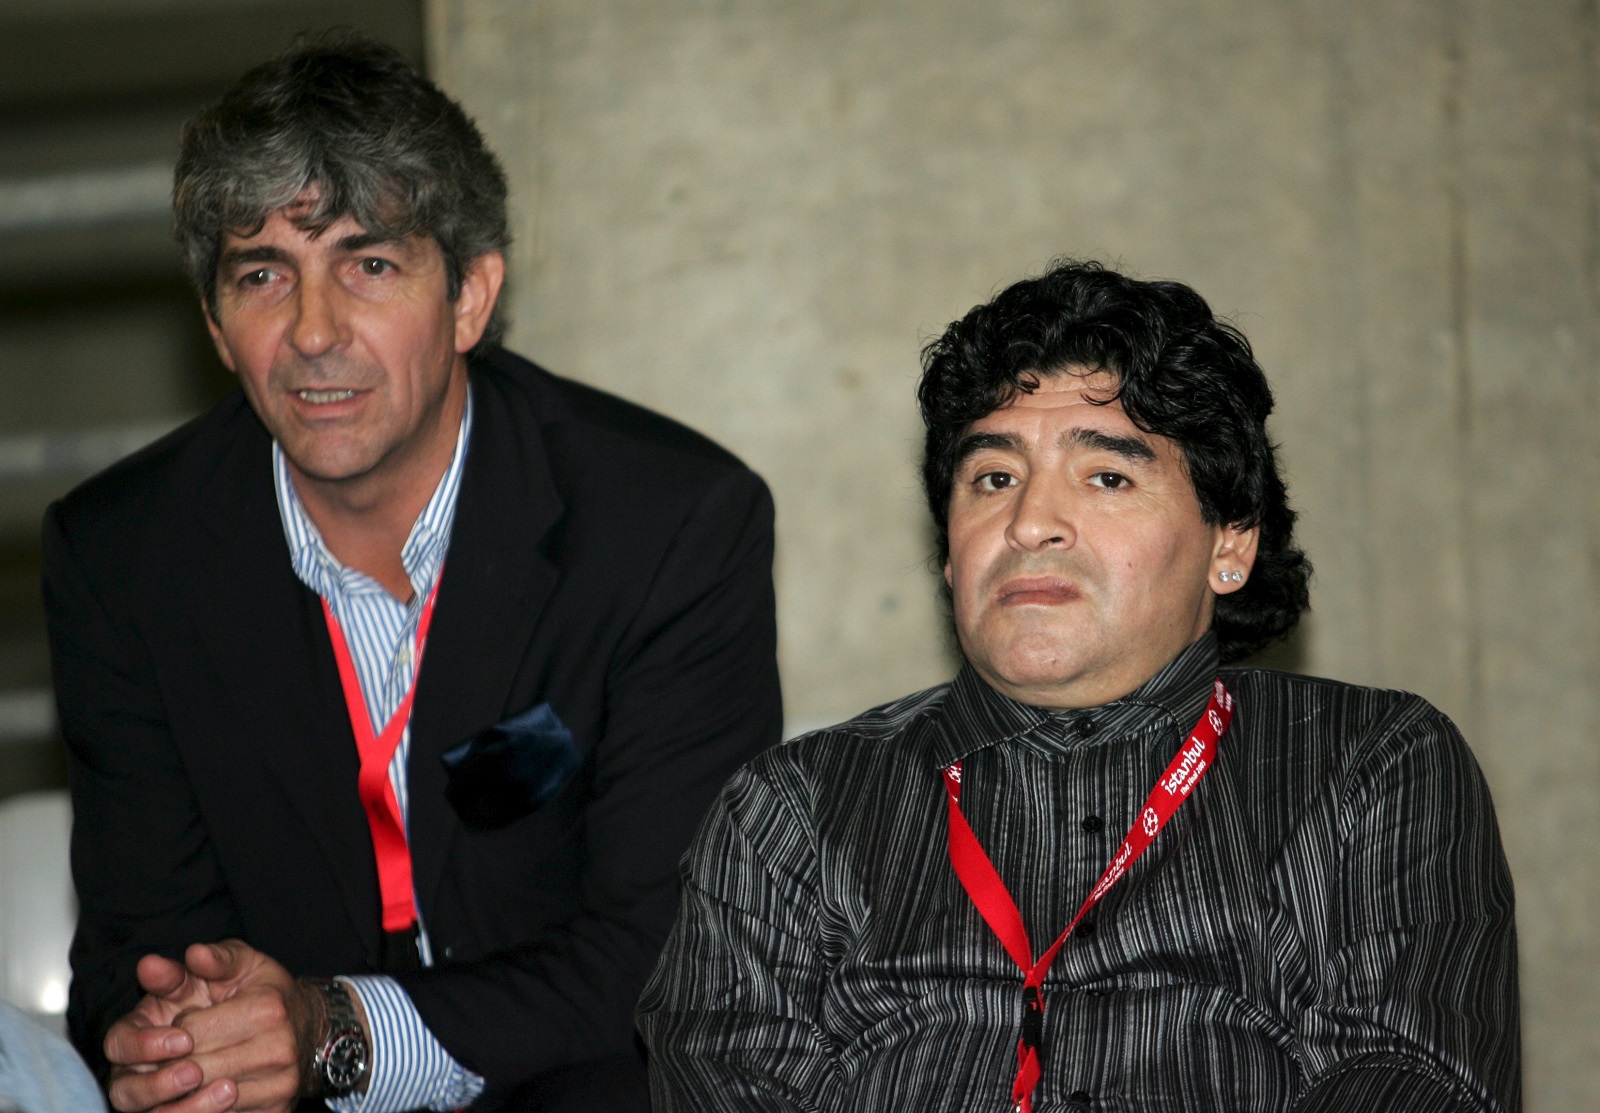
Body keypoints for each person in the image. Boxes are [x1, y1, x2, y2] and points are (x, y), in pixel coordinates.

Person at [44, 35, 781, 1113]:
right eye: (263, 276)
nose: (312, 332)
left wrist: (335, 1029)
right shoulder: (124, 557)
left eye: (370, 265)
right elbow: (133, 938)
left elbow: (668, 955)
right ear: (214, 326)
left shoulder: (667, 525)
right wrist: (176, 1028)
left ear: (472, 296)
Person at [637, 260, 1519, 1112]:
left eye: (1106, 476)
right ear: (948, 550)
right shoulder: (792, 809)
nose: (1029, 524)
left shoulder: (1368, 765)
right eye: (994, 477)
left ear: (1229, 545)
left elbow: (1416, 1077)